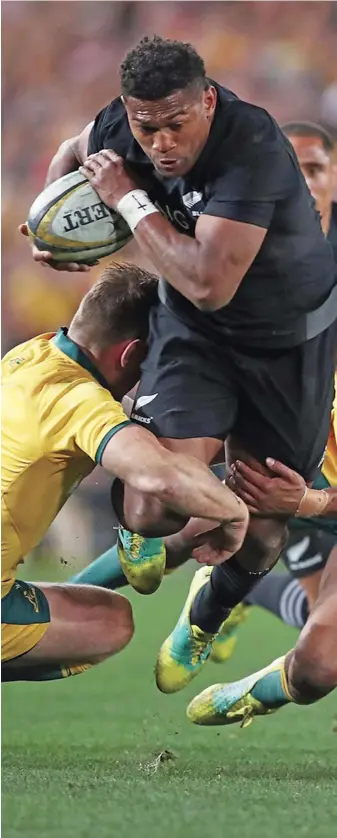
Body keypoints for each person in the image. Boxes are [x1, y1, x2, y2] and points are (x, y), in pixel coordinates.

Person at [20, 36, 337, 695]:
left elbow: (208, 282)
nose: (159, 144)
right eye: (145, 126)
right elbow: (71, 152)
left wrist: (128, 201)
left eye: (175, 124)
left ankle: (206, 616)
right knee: (148, 503)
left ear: (208, 102)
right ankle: (142, 538)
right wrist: (56, 229)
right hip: (197, 336)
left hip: (286, 347)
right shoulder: (120, 127)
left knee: (263, 524)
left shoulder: (250, 149)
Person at [1, 261, 248, 683]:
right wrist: (234, 511)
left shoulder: (30, 354)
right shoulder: (78, 398)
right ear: (131, 353)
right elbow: (159, 477)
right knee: (110, 622)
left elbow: (143, 439)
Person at [209, 122, 337, 664]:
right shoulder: (240, 240)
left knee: (322, 639)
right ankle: (230, 583)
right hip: (294, 441)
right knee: (321, 634)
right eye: (295, 170)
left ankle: (244, 589)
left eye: (316, 170)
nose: (306, 183)